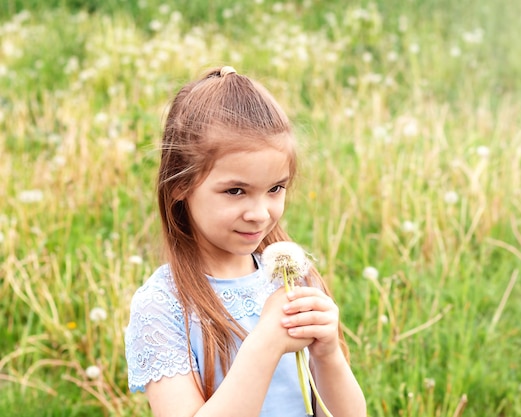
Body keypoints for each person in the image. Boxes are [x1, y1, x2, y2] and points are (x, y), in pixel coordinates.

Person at [124, 66, 366, 417]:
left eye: (275, 189)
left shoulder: (293, 277)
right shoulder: (163, 305)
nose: (259, 213)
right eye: (236, 191)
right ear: (180, 185)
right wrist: (265, 345)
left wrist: (327, 355)